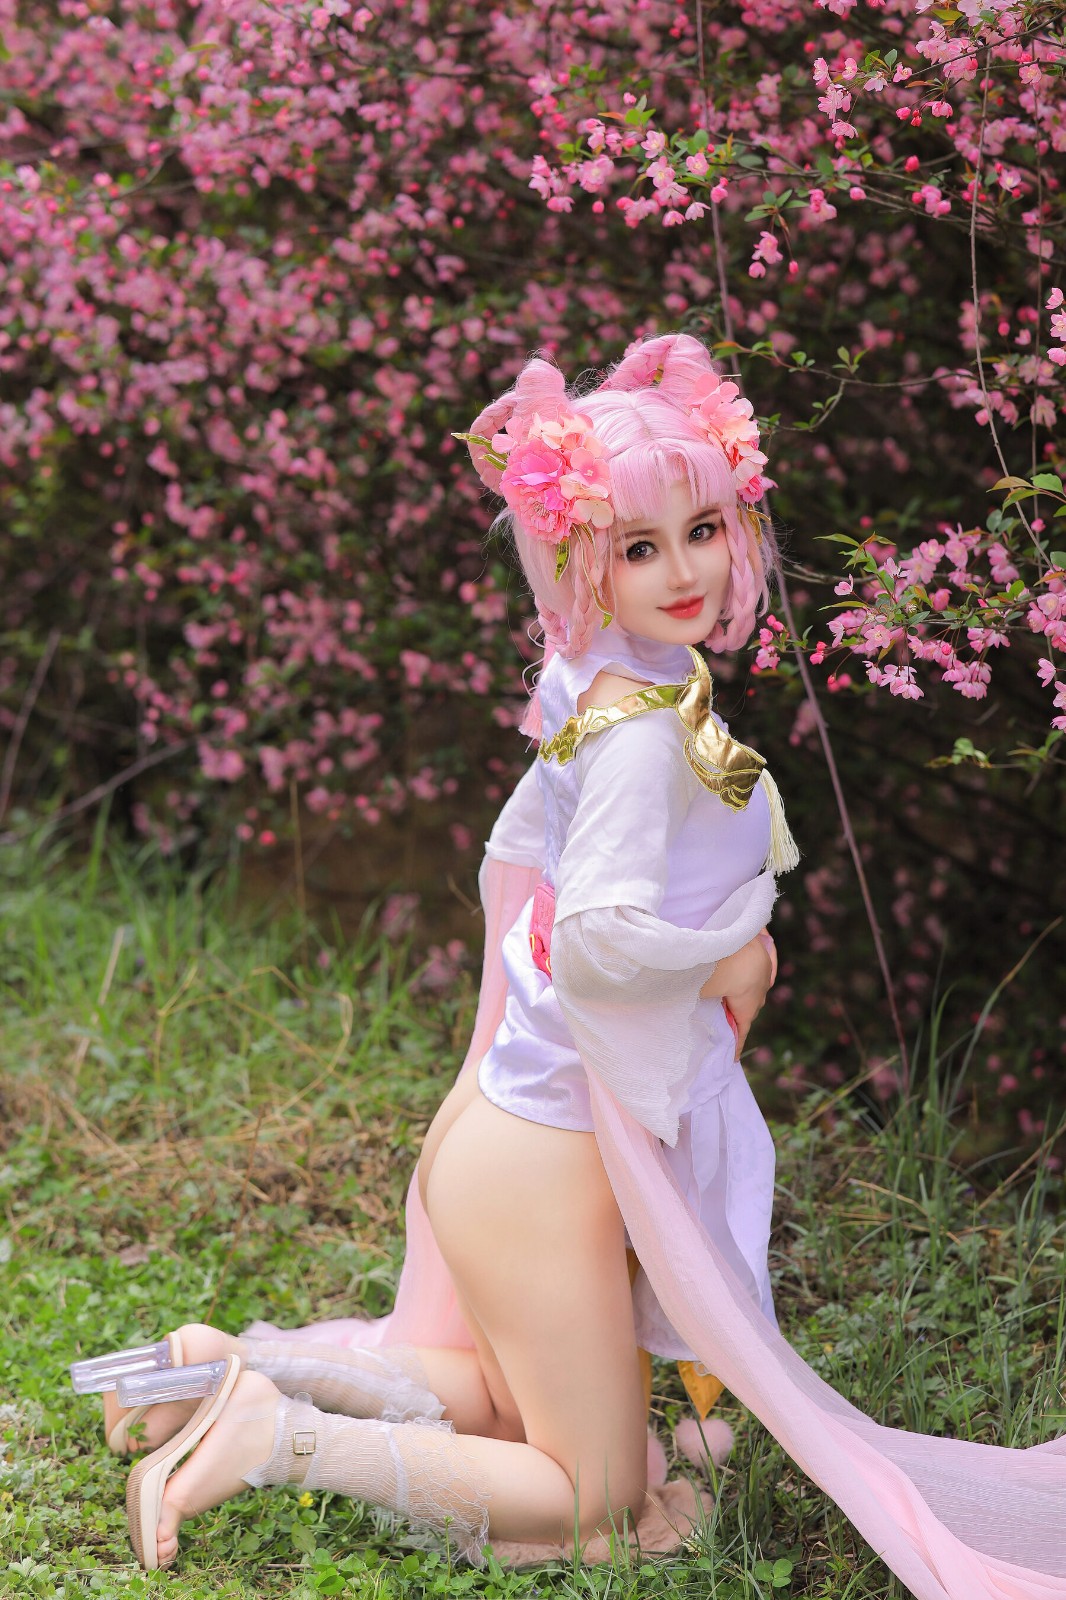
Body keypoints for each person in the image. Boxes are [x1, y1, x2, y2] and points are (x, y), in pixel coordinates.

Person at [71, 335, 1066, 1596]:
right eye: (638, 548)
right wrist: (726, 959)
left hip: (511, 1129)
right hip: (538, 1162)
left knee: (502, 1400)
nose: (686, 571)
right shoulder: (638, 735)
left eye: (702, 530)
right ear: (583, 556)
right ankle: (275, 1437)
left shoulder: (605, 675)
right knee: (598, 1499)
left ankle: (222, 1369)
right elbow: (593, 942)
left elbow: (519, 848)